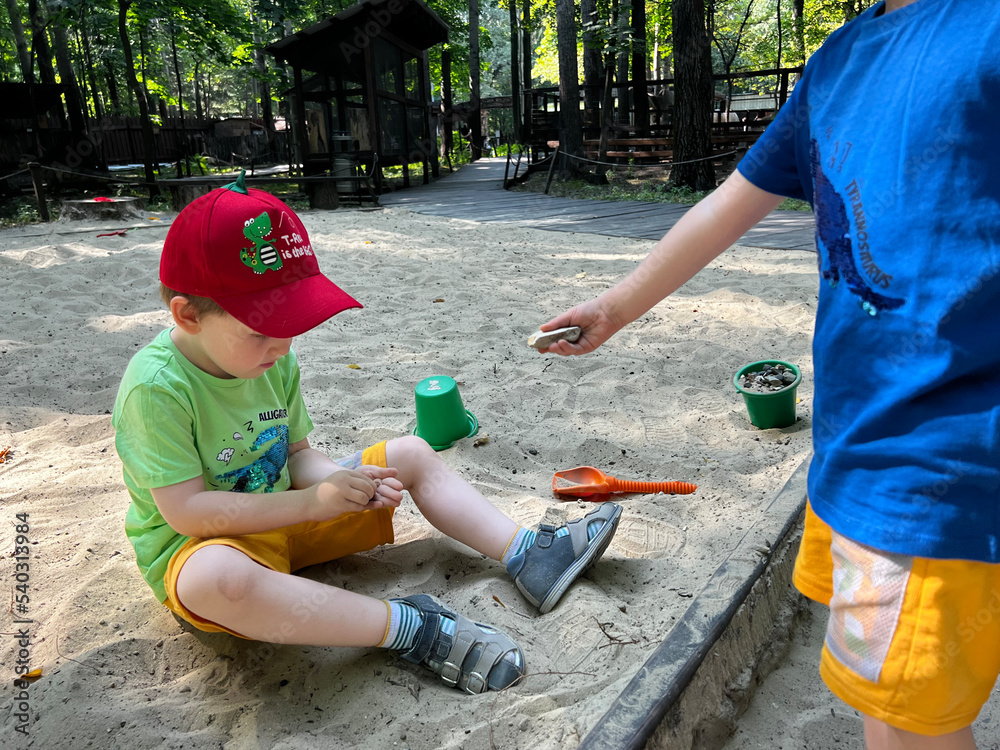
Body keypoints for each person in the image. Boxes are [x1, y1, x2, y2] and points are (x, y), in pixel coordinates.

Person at [536, 0, 1000, 747]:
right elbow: (730, 202)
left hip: (931, 456)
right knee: (902, 702)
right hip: (858, 441)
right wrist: (618, 306)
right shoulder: (838, 59)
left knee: (902, 721)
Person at [112, 172, 622, 695]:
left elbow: (296, 455)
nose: (282, 346)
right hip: (202, 546)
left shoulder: (271, 360)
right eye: (262, 328)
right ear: (188, 315)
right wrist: (311, 504)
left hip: (286, 510)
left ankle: (527, 553)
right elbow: (188, 512)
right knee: (222, 583)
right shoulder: (155, 389)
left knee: (410, 452)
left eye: (293, 323)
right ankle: (409, 627)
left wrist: (343, 484)